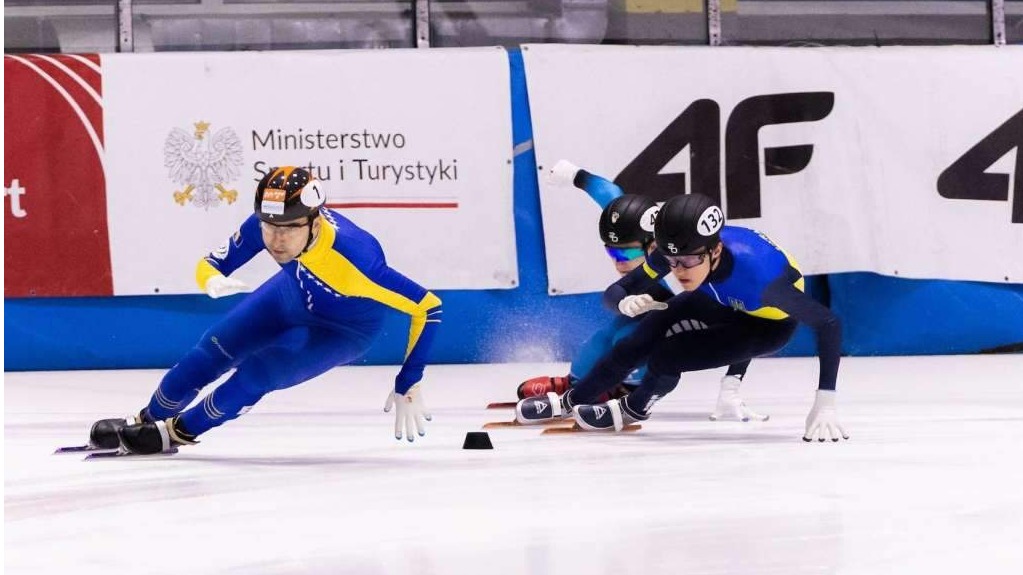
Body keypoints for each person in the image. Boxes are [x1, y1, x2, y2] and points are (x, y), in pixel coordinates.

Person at [88, 166, 442, 454]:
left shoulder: (356, 262)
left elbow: (428, 307)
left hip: (342, 330)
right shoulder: (271, 220)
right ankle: (145, 419)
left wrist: (408, 379)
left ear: (315, 224)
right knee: (209, 352)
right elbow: (212, 262)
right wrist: (210, 279)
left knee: (258, 373)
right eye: (269, 228)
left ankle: (175, 434)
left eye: (287, 230)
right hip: (289, 296)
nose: (275, 241)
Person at [516, 193, 848, 442]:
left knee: (668, 356)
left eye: (687, 262)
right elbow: (617, 291)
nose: (678, 271)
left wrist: (826, 401)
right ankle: (571, 401)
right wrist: (624, 304)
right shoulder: (679, 250)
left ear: (715, 251)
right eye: (671, 262)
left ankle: (635, 407)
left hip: (764, 325)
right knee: (643, 334)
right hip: (717, 298)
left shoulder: (764, 283)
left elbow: (828, 322)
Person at [516, 164, 763, 422]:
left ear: (655, 246)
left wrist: (732, 382)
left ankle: (627, 388)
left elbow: (749, 319)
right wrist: (577, 175)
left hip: (701, 314)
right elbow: (609, 194)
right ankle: (575, 382)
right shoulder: (632, 221)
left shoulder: (697, 263)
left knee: (630, 338)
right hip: (656, 303)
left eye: (628, 253)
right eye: (613, 252)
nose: (619, 263)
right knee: (604, 339)